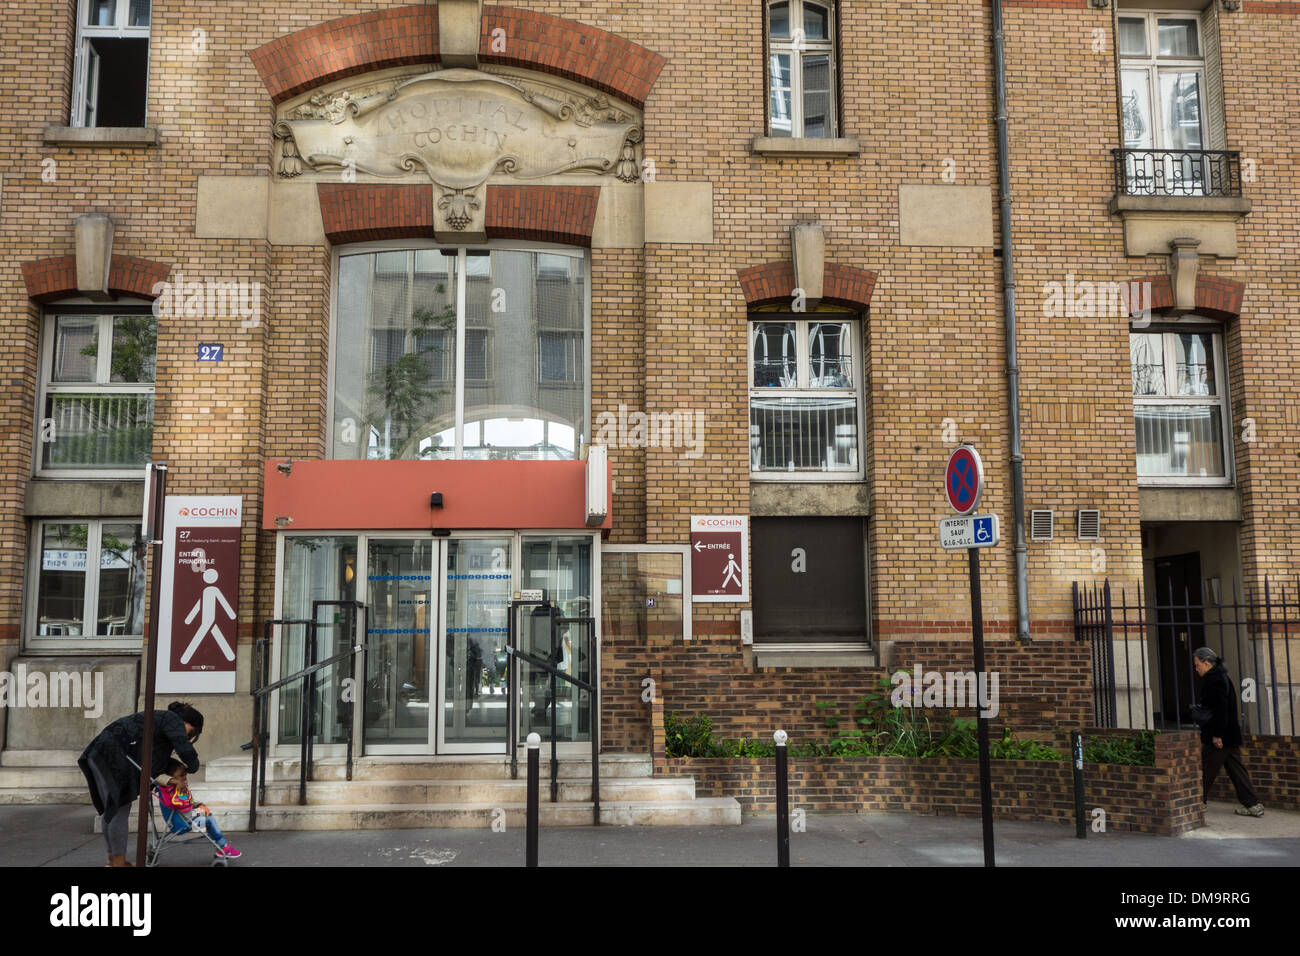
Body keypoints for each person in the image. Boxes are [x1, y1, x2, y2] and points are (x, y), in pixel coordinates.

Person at [79, 701, 204, 867]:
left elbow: (154, 765)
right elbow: (184, 748)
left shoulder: (160, 728)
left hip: (99, 754)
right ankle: (118, 863)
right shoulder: (172, 719)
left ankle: (113, 860)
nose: (188, 738)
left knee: (112, 810)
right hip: (111, 755)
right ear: (188, 723)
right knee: (119, 810)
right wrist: (193, 765)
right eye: (192, 733)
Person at [1193, 647, 1264, 817]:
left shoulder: (1214, 680)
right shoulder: (1221, 677)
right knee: (1236, 770)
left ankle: (1196, 802)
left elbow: (1220, 709)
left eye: (1198, 665)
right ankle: (1253, 804)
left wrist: (1217, 734)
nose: (1196, 669)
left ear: (1207, 663)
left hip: (1220, 735)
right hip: (1229, 733)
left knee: (1205, 768)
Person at [158, 758, 241, 859]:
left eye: (185, 775)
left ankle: (218, 843)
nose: (184, 778)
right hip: (180, 824)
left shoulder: (176, 788)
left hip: (186, 818)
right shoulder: (168, 791)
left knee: (205, 812)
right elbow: (176, 804)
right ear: (171, 778)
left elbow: (187, 804)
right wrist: (176, 783)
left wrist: (196, 805)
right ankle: (222, 846)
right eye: (181, 776)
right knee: (208, 819)